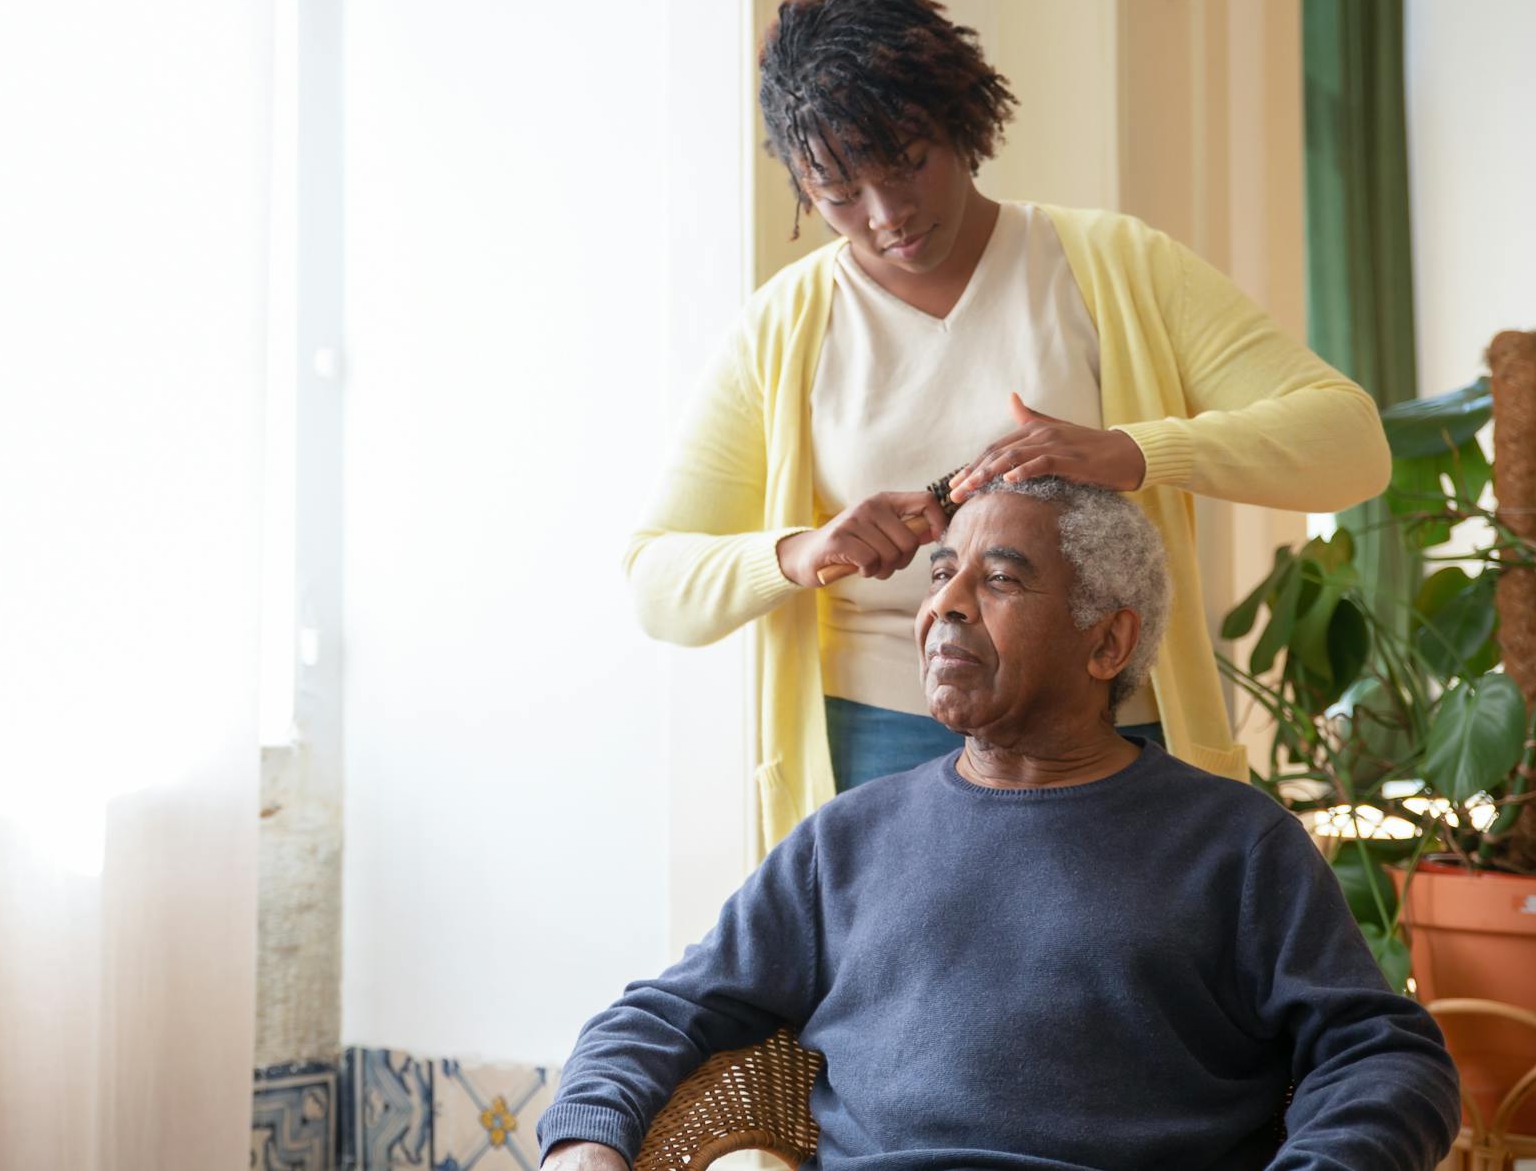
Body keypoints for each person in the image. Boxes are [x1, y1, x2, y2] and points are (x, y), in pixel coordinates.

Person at [626, 0, 1390, 846]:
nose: (886, 216)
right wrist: (802, 551)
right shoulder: (784, 326)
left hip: (1107, 732)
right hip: (879, 741)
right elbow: (657, 581)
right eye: (839, 193)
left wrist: (1130, 452)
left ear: (963, 121)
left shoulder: (1111, 265)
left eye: (908, 161)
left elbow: (1350, 443)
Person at [547, 480, 1460, 1171]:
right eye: (942, 573)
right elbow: (669, 1008)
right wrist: (586, 1135)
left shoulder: (1234, 841)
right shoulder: (847, 840)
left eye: (999, 579)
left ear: (1106, 642)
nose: (943, 605)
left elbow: (1384, 1053)